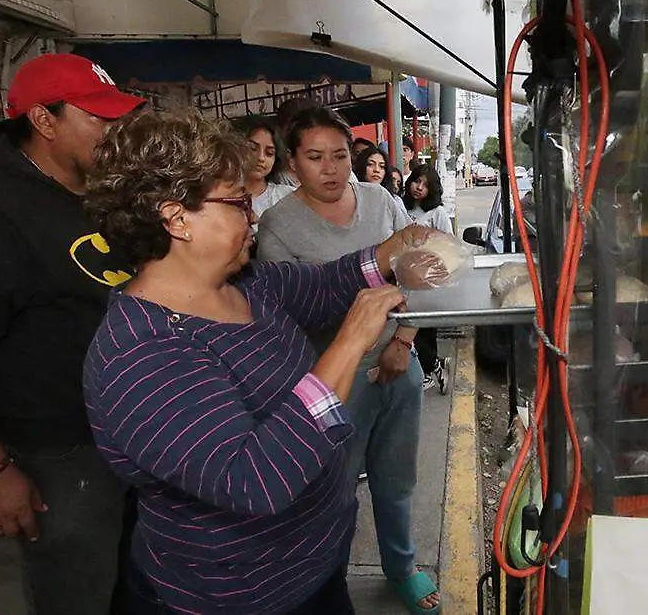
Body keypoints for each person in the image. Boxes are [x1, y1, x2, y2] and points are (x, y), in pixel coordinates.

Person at [81, 109, 434, 614]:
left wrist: (392, 250)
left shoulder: (248, 285)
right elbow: (255, 479)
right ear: (176, 218)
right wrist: (351, 341)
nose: (252, 216)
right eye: (236, 203)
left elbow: (325, 284)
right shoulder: (139, 353)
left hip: (316, 563)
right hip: (246, 596)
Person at [0, 53, 144, 615]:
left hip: (128, 436)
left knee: (136, 586)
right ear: (43, 120)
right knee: (77, 593)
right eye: (99, 118)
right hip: (59, 455)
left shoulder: (97, 195)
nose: (115, 133)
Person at [257, 107, 441, 615]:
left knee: (397, 477)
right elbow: (289, 313)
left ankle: (401, 567)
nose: (332, 168)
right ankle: (326, 581)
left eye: (340, 154)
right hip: (333, 381)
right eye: (315, 157)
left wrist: (403, 340)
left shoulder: (382, 200)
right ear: (292, 163)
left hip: (399, 362)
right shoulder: (278, 225)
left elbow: (420, 270)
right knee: (334, 492)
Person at [401, 168, 453, 390]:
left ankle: (430, 368)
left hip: (427, 279)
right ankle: (433, 366)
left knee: (422, 326)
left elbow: (449, 244)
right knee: (405, 325)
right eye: (415, 181)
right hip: (403, 277)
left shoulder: (437, 213)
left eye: (424, 184)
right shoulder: (401, 207)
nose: (418, 187)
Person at [245, 119, 294, 219]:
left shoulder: (287, 196)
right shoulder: (221, 198)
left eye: (269, 153)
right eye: (252, 148)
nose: (261, 158)